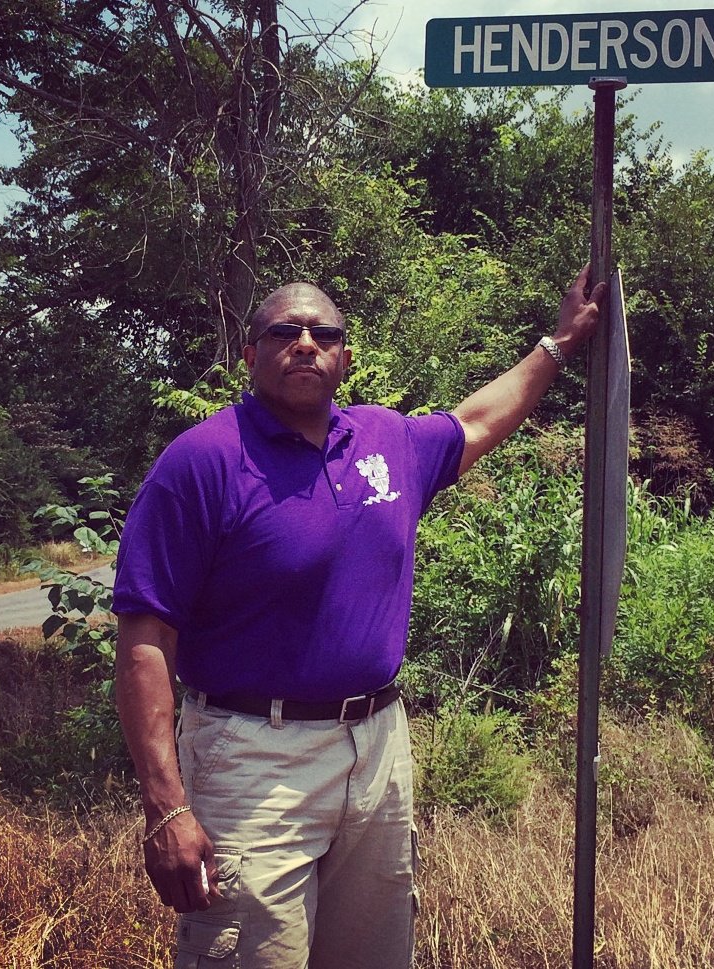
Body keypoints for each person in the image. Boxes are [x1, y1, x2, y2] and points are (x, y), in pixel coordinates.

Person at [113, 264, 606, 969]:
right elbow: (144, 641)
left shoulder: (387, 442)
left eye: (324, 333)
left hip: (376, 749)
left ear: (346, 356)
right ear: (250, 354)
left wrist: (558, 343)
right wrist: (165, 805)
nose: (305, 343)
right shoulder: (203, 462)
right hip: (253, 755)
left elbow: (476, 419)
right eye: (284, 331)